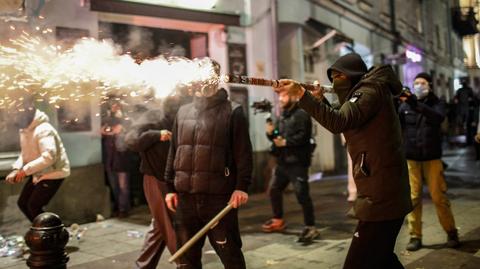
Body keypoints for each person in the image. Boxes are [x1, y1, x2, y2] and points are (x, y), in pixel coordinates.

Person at [274, 53, 412, 269]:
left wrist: (301, 94)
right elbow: (345, 114)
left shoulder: (369, 91)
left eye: (340, 76)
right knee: (381, 258)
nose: (337, 81)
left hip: (381, 194)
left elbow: (339, 121)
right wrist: (320, 100)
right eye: (333, 77)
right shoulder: (366, 91)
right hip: (382, 189)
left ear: (353, 75)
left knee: (358, 262)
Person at [164, 60, 253, 269]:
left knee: (230, 256)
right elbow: (174, 150)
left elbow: (244, 154)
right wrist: (169, 188)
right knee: (186, 261)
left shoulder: (233, 111)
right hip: (185, 200)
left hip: (219, 199)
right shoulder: (183, 112)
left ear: (216, 78)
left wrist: (241, 187)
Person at [125, 90, 192, 269]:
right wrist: (156, 134)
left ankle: (143, 265)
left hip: (173, 178)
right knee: (170, 224)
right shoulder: (151, 116)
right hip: (156, 178)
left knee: (159, 226)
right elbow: (131, 140)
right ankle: (183, 263)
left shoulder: (180, 114)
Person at [399, 72, 460, 251]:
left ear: (429, 85)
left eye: (422, 82)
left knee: (439, 197)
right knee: (413, 198)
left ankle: (451, 232)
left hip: (432, 158)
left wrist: (414, 103)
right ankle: (415, 236)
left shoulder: (437, 103)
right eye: (416, 82)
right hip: (411, 158)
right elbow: (398, 125)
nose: (418, 85)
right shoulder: (405, 105)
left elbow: (438, 118)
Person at [261, 89, 319, 244]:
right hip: (283, 162)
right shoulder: (283, 115)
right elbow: (278, 135)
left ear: (293, 96)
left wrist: (286, 142)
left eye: (284, 95)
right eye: (279, 95)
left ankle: (310, 226)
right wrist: (271, 131)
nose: (280, 98)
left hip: (297, 162)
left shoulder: (302, 114)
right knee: (274, 189)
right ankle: (278, 219)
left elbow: (304, 136)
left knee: (302, 194)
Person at [5, 95, 70, 222]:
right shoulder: (25, 130)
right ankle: (41, 232)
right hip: (38, 172)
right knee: (23, 203)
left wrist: (24, 171)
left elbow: (49, 157)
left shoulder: (43, 129)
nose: (15, 118)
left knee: (33, 206)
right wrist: (16, 169)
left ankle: (52, 232)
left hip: (54, 173)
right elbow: (25, 154)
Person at [101, 101, 131, 217]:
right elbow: (103, 131)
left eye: (116, 105)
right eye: (113, 105)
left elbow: (119, 131)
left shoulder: (126, 120)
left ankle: (123, 209)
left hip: (121, 160)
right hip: (110, 160)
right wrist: (111, 131)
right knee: (115, 186)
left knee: (123, 186)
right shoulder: (107, 119)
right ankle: (118, 207)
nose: (114, 107)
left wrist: (112, 131)